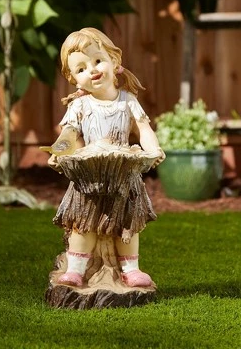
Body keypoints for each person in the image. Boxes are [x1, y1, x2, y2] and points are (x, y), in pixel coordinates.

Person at [48, 27, 165, 288]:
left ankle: (130, 269)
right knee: (83, 222)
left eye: (98, 60)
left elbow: (144, 129)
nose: (92, 70)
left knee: (127, 223)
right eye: (81, 69)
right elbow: (69, 133)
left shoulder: (128, 101)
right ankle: (76, 269)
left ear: (114, 60)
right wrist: (59, 151)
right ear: (74, 80)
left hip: (123, 172)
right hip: (90, 173)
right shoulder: (80, 105)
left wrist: (153, 149)